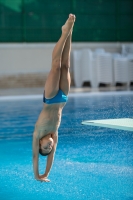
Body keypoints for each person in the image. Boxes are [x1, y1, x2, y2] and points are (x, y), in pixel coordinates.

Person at [32, 14, 76, 182]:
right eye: (50, 147)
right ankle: (70, 31)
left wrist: (38, 175)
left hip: (50, 98)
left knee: (56, 66)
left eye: (46, 147)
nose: (50, 146)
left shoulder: (38, 133)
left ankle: (64, 32)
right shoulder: (54, 134)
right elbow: (51, 157)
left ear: (40, 143)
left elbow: (36, 158)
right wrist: (47, 174)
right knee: (66, 65)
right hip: (63, 98)